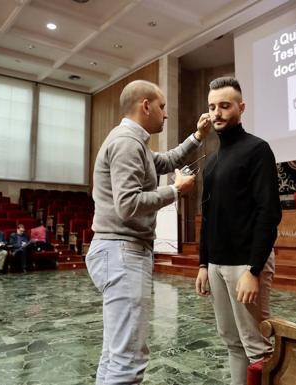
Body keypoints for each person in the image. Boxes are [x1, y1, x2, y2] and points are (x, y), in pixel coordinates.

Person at [86, 79, 211, 384]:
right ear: (146, 106)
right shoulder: (127, 143)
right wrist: (175, 191)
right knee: (128, 359)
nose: (165, 114)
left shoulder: (133, 142)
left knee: (115, 354)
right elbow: (127, 204)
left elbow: (166, 161)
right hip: (122, 252)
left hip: (119, 251)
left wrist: (197, 137)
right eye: (162, 106)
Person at [195, 76, 282, 385]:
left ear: (241, 108)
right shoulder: (213, 161)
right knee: (232, 343)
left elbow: (269, 213)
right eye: (212, 107)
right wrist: (204, 264)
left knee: (257, 347)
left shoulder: (258, 150)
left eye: (224, 106)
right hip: (217, 265)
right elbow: (208, 216)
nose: (217, 113)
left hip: (246, 264)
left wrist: (254, 269)